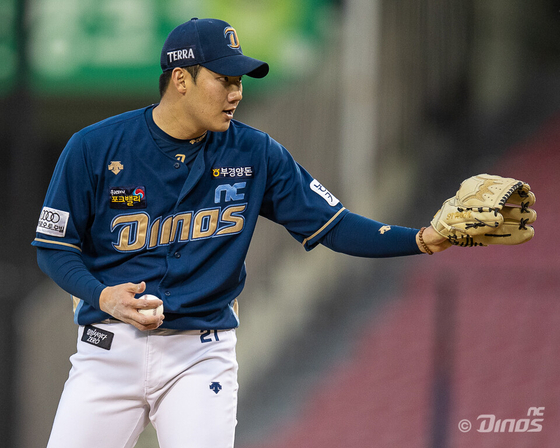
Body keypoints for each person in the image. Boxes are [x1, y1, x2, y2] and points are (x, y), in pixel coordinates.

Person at [33, 17, 450, 448]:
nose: (236, 93)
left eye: (240, 81)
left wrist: (423, 239)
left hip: (199, 354)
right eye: (224, 79)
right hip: (107, 346)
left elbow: (335, 225)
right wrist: (102, 296)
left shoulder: (256, 152)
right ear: (181, 79)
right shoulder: (94, 147)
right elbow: (53, 249)